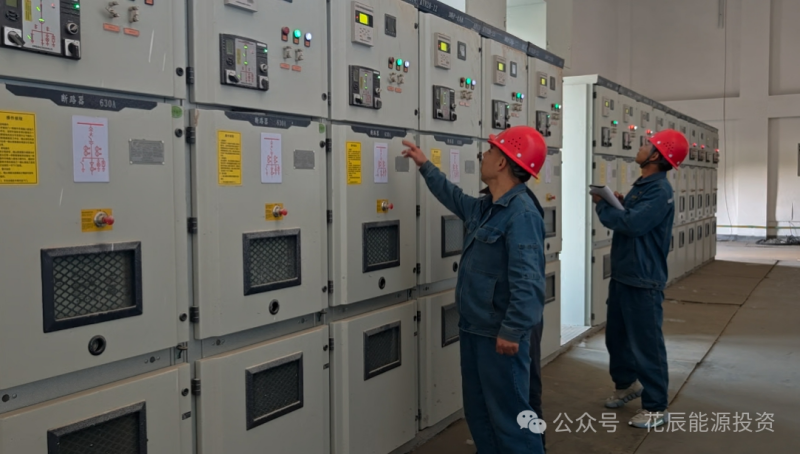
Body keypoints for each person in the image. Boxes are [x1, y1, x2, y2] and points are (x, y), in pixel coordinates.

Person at [402, 126, 548, 454]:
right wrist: (425, 165)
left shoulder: (521, 214)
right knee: (480, 413)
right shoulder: (486, 207)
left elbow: (528, 280)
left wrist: (512, 330)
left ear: (502, 163)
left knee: (511, 421)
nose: (484, 155)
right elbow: (453, 197)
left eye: (491, 151)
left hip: (500, 335)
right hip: (474, 328)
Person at [591, 129, 689, 429]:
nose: (641, 147)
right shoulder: (643, 186)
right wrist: (617, 202)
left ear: (657, 156)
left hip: (643, 279)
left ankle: (656, 406)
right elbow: (631, 215)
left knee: (647, 345)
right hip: (625, 274)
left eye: (648, 145)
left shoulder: (659, 191)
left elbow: (633, 224)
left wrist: (603, 204)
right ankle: (626, 385)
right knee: (617, 338)